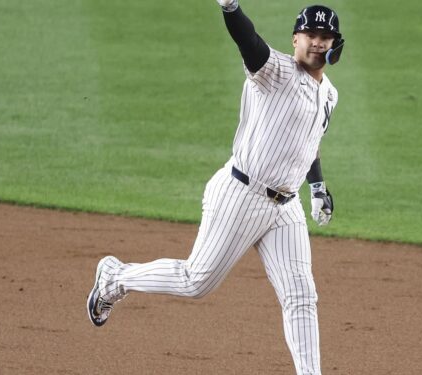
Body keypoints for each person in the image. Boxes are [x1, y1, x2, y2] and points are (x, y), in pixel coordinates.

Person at [87, 1, 344, 373]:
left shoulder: (330, 95)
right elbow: (248, 41)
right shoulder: (273, 70)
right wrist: (231, 7)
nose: (318, 43)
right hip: (242, 195)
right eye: (311, 35)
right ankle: (115, 277)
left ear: (336, 42)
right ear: (295, 38)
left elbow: (309, 141)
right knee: (195, 282)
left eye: (325, 36)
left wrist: (317, 186)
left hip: (285, 208)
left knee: (301, 296)